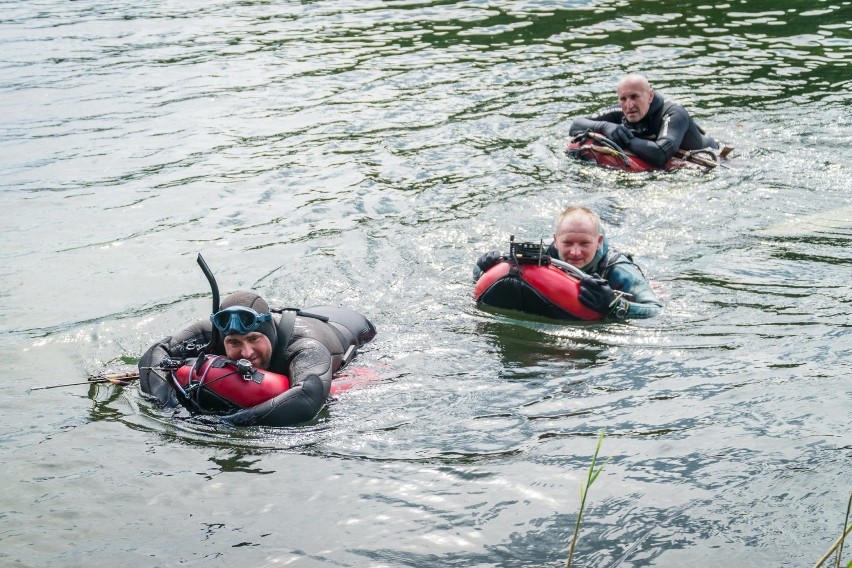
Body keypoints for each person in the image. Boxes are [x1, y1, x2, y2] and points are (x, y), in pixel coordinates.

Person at [138, 291, 376, 426]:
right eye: (234, 343)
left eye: (254, 339)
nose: (247, 353)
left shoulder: (305, 346)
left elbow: (307, 399)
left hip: (355, 328)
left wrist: (229, 422)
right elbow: (155, 354)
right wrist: (171, 408)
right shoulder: (211, 334)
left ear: (269, 334)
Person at [475, 206, 662, 319]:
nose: (575, 252)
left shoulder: (617, 268)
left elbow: (655, 310)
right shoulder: (543, 253)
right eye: (567, 243)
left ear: (598, 242)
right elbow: (487, 279)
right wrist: (483, 267)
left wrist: (615, 305)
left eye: (584, 244)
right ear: (556, 240)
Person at [569, 74, 718, 169]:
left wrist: (624, 138)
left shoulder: (673, 113)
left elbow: (660, 154)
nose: (629, 105)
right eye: (623, 99)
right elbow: (576, 125)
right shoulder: (622, 110)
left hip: (711, 155)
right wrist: (605, 126)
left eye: (635, 97)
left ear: (650, 96)